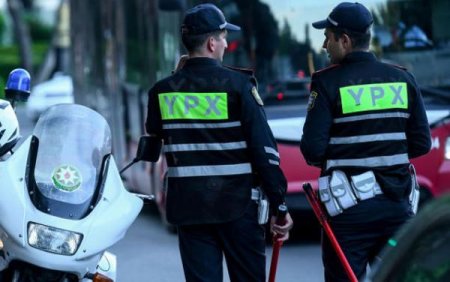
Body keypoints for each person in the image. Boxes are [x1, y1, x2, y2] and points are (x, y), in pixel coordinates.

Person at [145, 3, 293, 281]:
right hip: (237, 207)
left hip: (189, 209)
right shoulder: (239, 86)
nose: (226, 44)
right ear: (212, 43)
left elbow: (154, 134)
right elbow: (265, 152)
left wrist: (178, 77)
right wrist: (280, 206)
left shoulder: (162, 91)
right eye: (224, 37)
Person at [300, 2, 431, 281]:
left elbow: (312, 150)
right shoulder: (402, 78)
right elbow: (422, 143)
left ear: (344, 41)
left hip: (349, 216)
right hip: (397, 208)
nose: (324, 44)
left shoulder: (327, 83)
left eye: (329, 37)